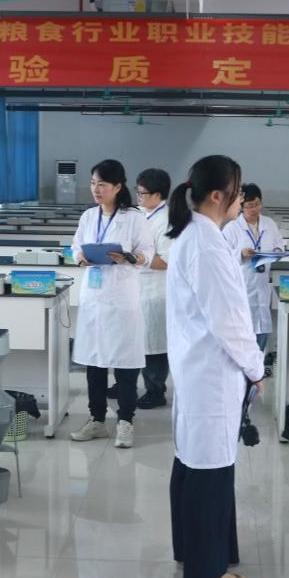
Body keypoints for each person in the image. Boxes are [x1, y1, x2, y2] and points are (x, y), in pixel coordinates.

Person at [166, 155, 263, 578]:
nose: (242, 199)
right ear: (219, 195)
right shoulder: (205, 243)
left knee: (193, 462)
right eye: (239, 191)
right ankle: (207, 574)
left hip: (197, 368)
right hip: (211, 371)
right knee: (210, 470)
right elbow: (230, 322)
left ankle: (195, 551)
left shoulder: (197, 234)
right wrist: (256, 368)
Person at [69, 160, 155, 448]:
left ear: (118, 187)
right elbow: (75, 246)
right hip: (93, 298)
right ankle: (96, 420)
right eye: (93, 183)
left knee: (124, 363)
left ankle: (125, 422)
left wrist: (128, 257)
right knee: (94, 363)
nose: (96, 189)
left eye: (102, 184)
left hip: (121, 298)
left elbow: (147, 253)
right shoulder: (88, 216)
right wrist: (80, 257)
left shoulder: (134, 218)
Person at [223, 184, 284, 352]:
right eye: (249, 205)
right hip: (242, 286)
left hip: (262, 284)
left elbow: (279, 243)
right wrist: (241, 254)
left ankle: (258, 364)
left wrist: (277, 251)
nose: (254, 209)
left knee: (262, 329)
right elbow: (222, 256)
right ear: (241, 206)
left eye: (257, 204)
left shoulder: (269, 224)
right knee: (243, 333)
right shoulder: (232, 228)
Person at [136, 168, 173, 409]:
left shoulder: (167, 220)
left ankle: (156, 390)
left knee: (154, 344)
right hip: (135, 287)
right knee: (135, 340)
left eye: (142, 193)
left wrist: (137, 258)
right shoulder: (138, 214)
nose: (138, 197)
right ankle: (126, 383)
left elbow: (167, 261)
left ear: (157, 194)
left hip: (155, 290)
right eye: (137, 192)